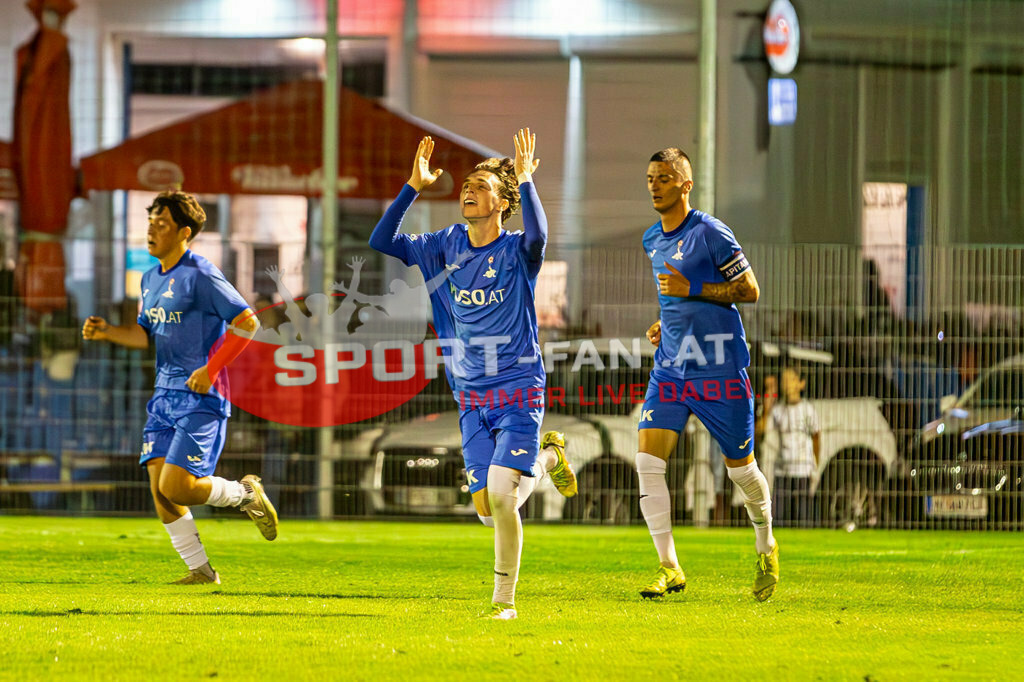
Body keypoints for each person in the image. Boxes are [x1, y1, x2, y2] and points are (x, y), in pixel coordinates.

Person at [368, 131, 578, 620]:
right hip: (469, 394)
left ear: (503, 202)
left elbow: (540, 236)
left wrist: (526, 180)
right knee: (487, 512)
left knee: (504, 496)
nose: (468, 190)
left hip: (519, 387)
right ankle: (549, 458)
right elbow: (382, 241)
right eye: (466, 184)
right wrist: (413, 187)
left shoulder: (515, 251)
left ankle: (503, 603)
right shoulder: (444, 244)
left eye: (482, 186)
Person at [82, 190, 277, 585]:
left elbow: (248, 322)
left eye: (162, 223)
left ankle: (244, 494)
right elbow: (146, 336)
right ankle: (201, 571)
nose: (151, 228)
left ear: (184, 232)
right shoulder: (150, 277)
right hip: (164, 396)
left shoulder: (201, 274)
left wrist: (212, 367)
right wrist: (109, 333)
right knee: (160, 491)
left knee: (178, 486)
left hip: (202, 397)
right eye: (150, 220)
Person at [637, 147, 779, 602]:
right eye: (650, 178)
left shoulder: (711, 232)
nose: (654, 184)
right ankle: (669, 567)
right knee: (647, 462)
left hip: (720, 369)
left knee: (741, 472)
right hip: (673, 370)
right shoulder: (651, 240)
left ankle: (765, 544)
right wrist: (667, 319)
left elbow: (749, 290)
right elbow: (674, 298)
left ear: (685, 184)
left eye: (663, 177)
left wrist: (691, 288)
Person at [762, 366, 820, 527]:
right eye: (784, 380)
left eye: (791, 380)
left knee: (803, 513)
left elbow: (816, 436)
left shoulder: (808, 409)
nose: (787, 384)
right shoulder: (777, 410)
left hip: (803, 468)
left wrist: (815, 463)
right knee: (779, 515)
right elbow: (764, 432)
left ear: (801, 384)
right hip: (782, 468)